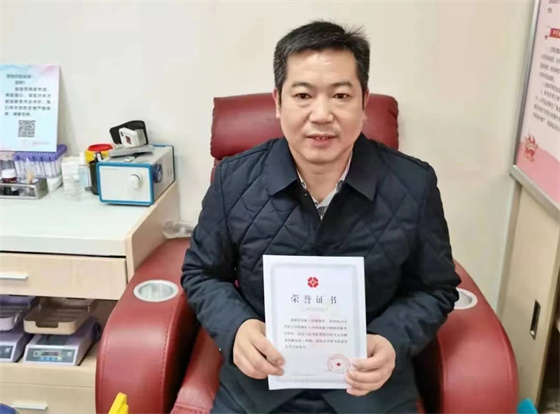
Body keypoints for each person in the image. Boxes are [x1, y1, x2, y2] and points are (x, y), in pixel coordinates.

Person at [181, 20, 460, 414]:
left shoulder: (414, 185)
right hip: (259, 388)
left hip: (369, 391)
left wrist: (392, 339)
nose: (322, 114)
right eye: (303, 95)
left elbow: (436, 288)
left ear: (364, 101)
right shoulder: (234, 180)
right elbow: (202, 273)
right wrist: (237, 328)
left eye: (341, 95)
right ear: (278, 102)